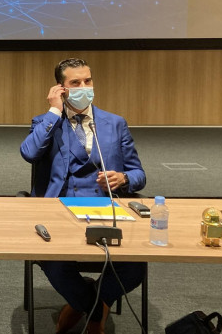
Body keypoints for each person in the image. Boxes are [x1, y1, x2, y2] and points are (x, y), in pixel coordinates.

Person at [20, 57, 146, 334]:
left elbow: (139, 174)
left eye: (87, 81)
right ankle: (96, 313)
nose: (84, 87)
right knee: (54, 263)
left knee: (136, 266)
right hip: (59, 210)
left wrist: (123, 177)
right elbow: (29, 153)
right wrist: (54, 112)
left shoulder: (114, 123)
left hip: (106, 209)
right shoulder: (45, 122)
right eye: (75, 83)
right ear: (61, 88)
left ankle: (84, 305)